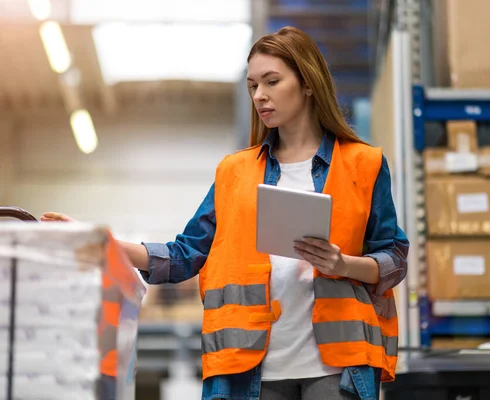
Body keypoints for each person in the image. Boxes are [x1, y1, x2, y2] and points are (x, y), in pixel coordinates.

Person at [42, 26, 409, 400]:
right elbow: (185, 255)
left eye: (272, 81)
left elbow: (394, 256)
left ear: (308, 83)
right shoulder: (235, 172)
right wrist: (101, 242)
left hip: (337, 367)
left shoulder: (364, 163)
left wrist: (343, 264)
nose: (260, 96)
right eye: (253, 86)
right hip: (251, 369)